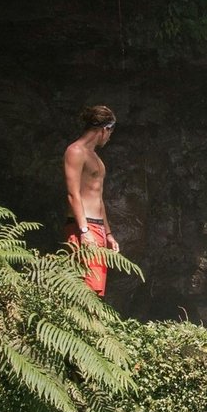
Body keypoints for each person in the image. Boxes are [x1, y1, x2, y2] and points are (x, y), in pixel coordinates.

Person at [64, 105, 120, 297]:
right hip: (84, 227)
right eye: (111, 132)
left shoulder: (95, 156)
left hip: (98, 229)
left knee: (96, 292)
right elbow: (73, 194)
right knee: (84, 291)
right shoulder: (75, 151)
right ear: (105, 129)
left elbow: (99, 198)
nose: (110, 138)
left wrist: (109, 233)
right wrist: (84, 230)